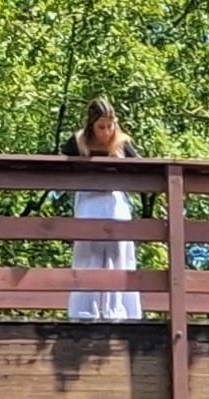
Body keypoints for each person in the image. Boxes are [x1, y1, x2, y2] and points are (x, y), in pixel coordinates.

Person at [67, 97, 144, 325]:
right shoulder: (78, 142)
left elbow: (142, 168)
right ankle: (85, 312)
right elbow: (59, 162)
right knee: (88, 256)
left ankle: (117, 312)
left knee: (117, 256)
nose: (106, 132)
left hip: (115, 203)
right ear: (91, 125)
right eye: (101, 127)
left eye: (110, 126)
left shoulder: (121, 143)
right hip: (89, 201)